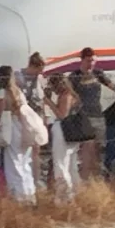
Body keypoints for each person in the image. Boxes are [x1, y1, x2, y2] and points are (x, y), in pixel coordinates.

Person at [70, 47, 111, 179]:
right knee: (87, 151)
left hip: (98, 116)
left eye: (93, 61)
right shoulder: (74, 76)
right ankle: (86, 179)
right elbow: (70, 94)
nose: (91, 64)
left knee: (99, 149)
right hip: (84, 118)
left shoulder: (99, 73)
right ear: (82, 60)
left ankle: (97, 178)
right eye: (88, 61)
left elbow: (112, 86)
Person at [45, 74, 82, 202]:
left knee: (61, 163)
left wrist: (49, 102)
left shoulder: (66, 96)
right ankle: (73, 193)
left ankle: (64, 196)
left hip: (63, 130)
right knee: (71, 164)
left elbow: (62, 115)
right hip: (70, 132)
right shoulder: (69, 95)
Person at [1, 67, 37, 203]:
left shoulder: (3, 93)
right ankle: (30, 195)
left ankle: (18, 198)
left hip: (11, 127)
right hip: (24, 127)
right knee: (25, 163)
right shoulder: (19, 92)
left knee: (13, 163)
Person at [15, 53, 47, 190]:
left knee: (36, 149)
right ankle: (24, 179)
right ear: (34, 66)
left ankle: (36, 179)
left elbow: (42, 99)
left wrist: (45, 117)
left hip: (37, 116)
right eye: (39, 69)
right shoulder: (18, 77)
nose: (40, 73)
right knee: (23, 148)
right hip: (23, 117)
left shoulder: (39, 79)